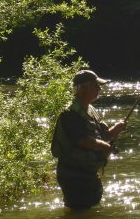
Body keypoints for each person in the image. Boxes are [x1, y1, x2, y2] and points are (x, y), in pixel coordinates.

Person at [50, 69, 127, 209]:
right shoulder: (69, 114)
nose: (99, 88)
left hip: (88, 174)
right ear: (83, 88)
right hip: (74, 177)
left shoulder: (90, 110)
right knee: (79, 212)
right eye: (95, 85)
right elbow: (83, 141)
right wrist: (107, 147)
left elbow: (102, 136)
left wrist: (116, 129)